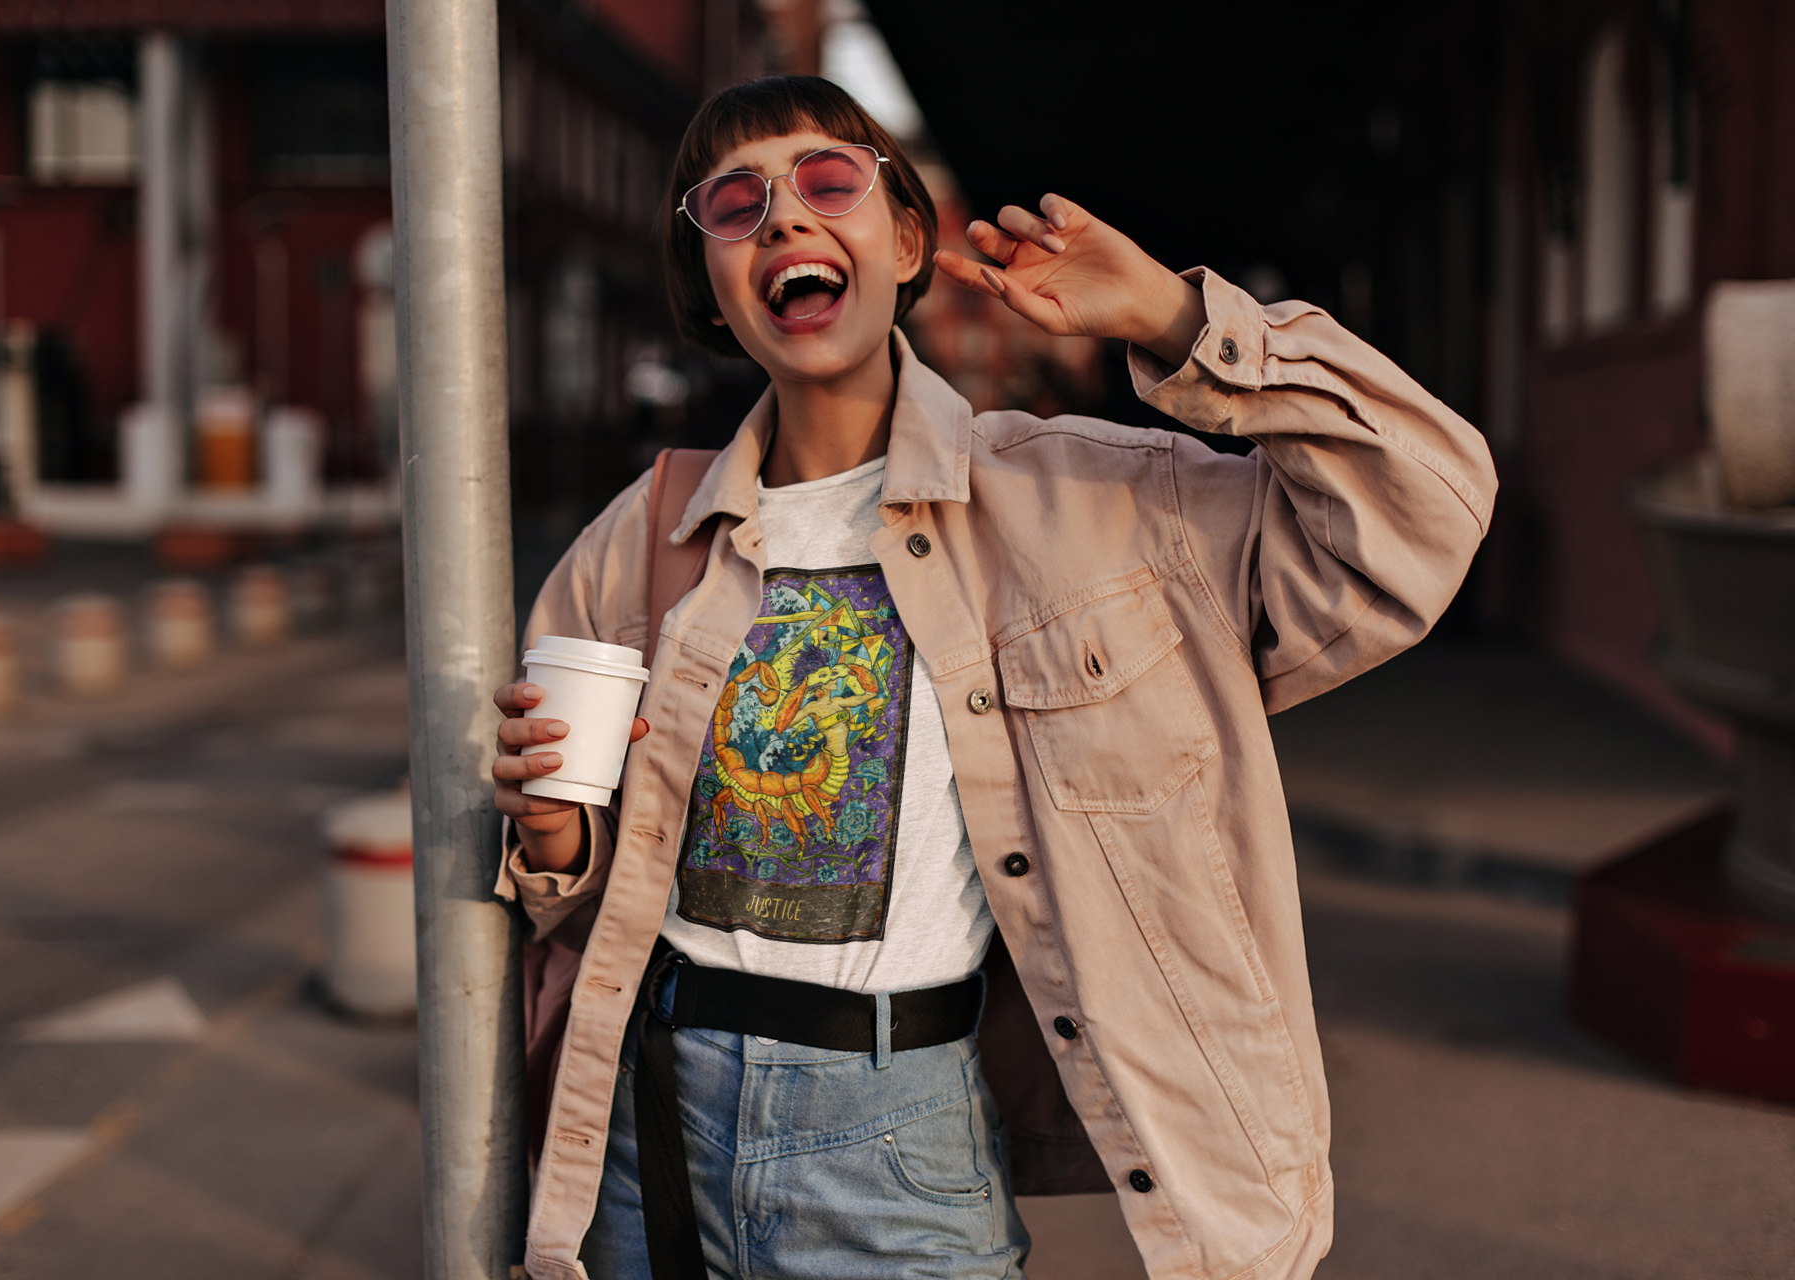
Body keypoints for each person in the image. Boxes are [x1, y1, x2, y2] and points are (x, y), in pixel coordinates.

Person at [491, 75, 1495, 1280]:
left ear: (907, 236)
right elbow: (571, 900)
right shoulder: (642, 536)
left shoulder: (1094, 502)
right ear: (709, 277)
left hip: (898, 1138)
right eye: (735, 203)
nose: (786, 221)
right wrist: (551, 836)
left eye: (827, 182)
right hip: (653, 1123)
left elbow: (1423, 513)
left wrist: (1178, 321)